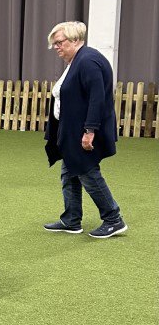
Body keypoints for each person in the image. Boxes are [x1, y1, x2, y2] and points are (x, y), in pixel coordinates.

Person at [43, 21, 126, 238]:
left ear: (75, 40)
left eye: (59, 43)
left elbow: (97, 99)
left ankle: (113, 218)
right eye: (55, 44)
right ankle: (71, 219)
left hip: (84, 131)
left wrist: (90, 130)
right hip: (73, 130)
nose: (56, 48)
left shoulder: (88, 61)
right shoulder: (78, 61)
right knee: (69, 172)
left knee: (87, 171)